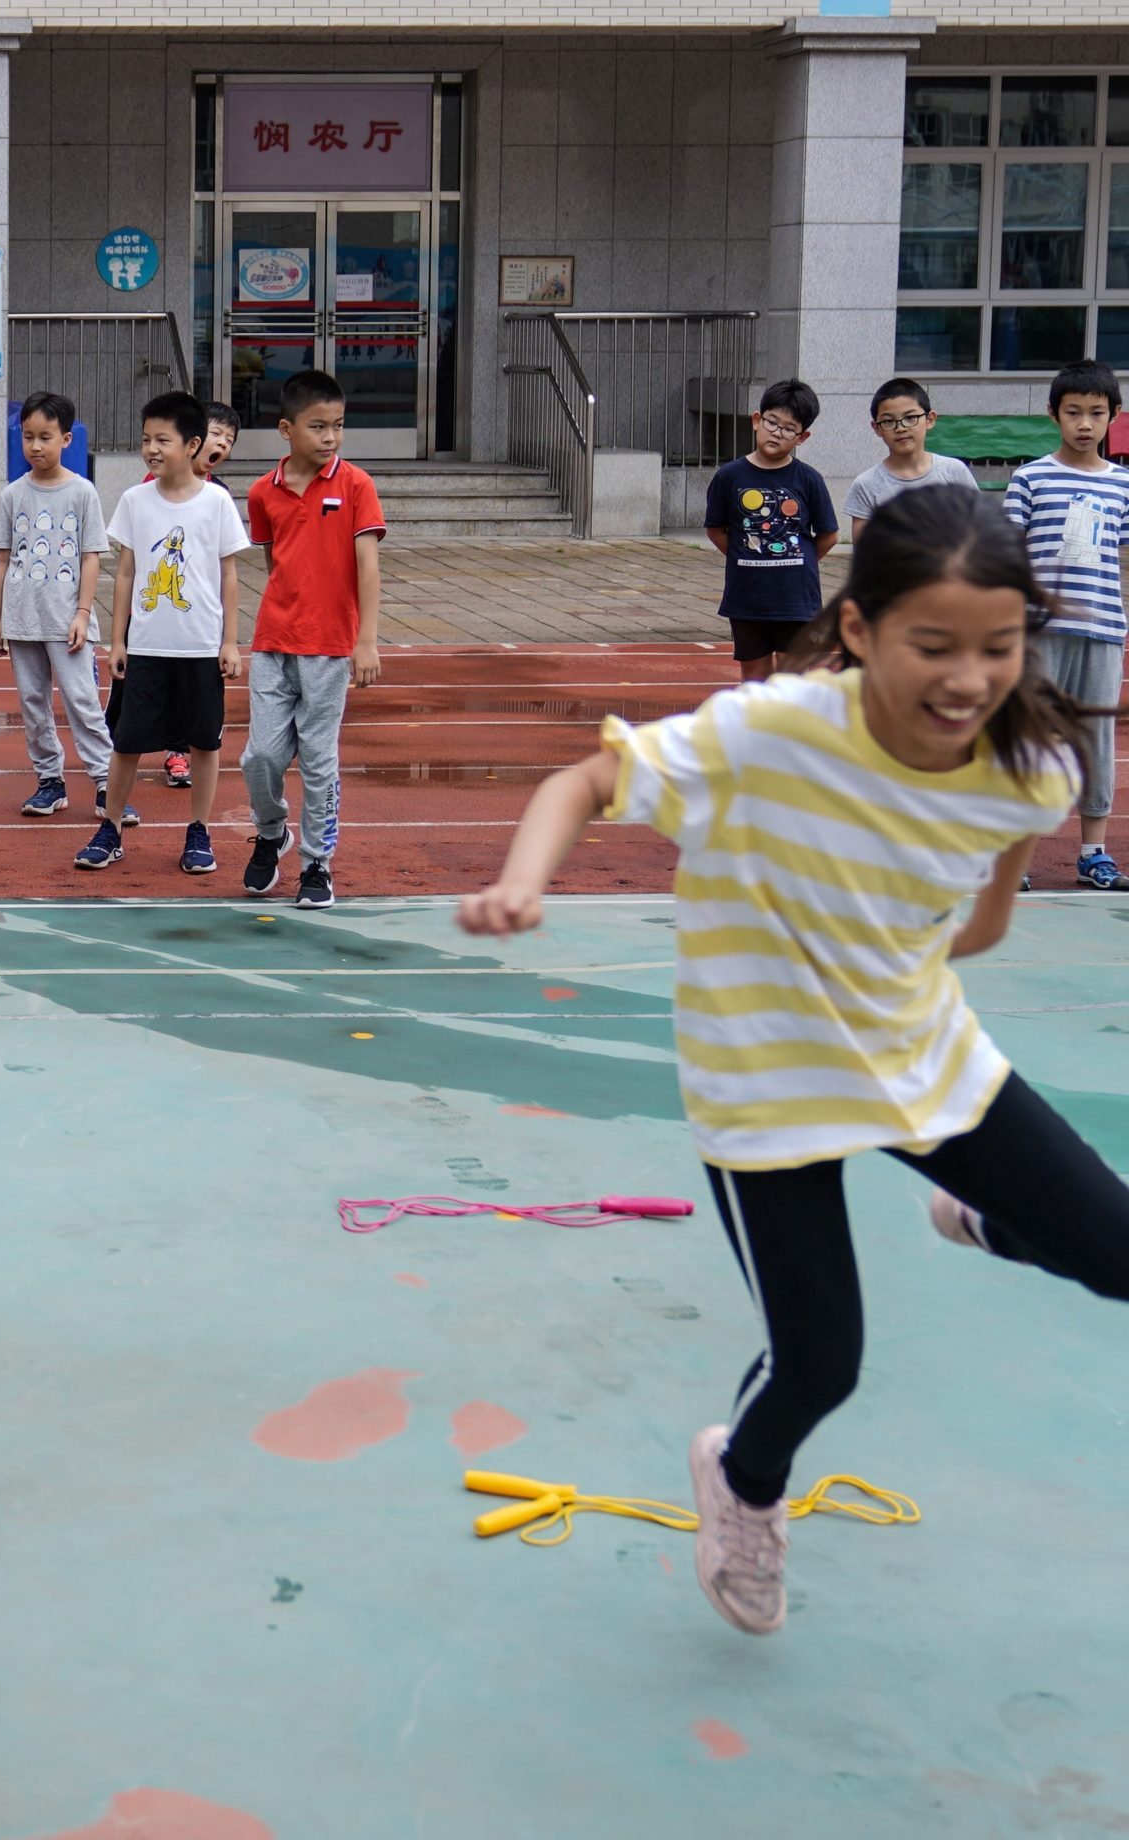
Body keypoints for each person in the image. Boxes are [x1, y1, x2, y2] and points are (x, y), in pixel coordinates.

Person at [457, 487, 1129, 1638]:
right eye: (934, 647)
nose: (969, 679)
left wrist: (891, 947)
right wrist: (524, 882)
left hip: (918, 1054)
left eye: (998, 646)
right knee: (821, 1363)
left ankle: (973, 1210)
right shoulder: (769, 733)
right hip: (764, 1083)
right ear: (860, 632)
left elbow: (984, 926)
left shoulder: (1031, 764)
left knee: (1117, 1256)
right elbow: (584, 780)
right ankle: (743, 1482)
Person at [75, 391, 248, 876]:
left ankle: (199, 830)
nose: (151, 448)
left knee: (204, 744)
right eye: (146, 438)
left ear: (192, 444)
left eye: (163, 439)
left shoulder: (216, 503)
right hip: (147, 645)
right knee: (127, 742)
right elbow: (126, 573)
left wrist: (230, 641)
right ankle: (110, 828)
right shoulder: (135, 500)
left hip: (200, 647)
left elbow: (229, 574)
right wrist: (120, 640)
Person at [241, 367, 385, 909]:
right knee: (260, 758)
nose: (330, 437)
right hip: (274, 642)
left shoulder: (355, 486)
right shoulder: (262, 493)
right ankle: (272, 831)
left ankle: (317, 864)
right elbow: (276, 558)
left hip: (329, 648)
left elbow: (367, 566)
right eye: (318, 426)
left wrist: (364, 641)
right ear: (286, 429)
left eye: (338, 426)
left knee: (320, 761)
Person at [1003, 358, 1129, 889]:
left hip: (1102, 632)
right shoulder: (1030, 478)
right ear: (1053, 414)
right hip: (1038, 632)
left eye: (1096, 413)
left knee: (1095, 739)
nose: (1084, 423)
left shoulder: (1124, 484)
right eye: (1073, 411)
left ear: (1113, 418)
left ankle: (1094, 853)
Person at [0, 391, 111, 818]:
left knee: (83, 701)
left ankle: (106, 784)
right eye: (28, 436)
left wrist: (82, 612)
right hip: (23, 619)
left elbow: (90, 555)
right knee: (33, 703)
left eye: (45, 436)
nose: (36, 446)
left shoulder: (82, 493)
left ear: (66, 439)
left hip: (67, 621)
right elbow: (2, 558)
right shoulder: (12, 495)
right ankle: (50, 782)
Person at [704, 379, 839, 681]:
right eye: (771, 422)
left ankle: (792, 730)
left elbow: (829, 535)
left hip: (797, 600)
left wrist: (801, 560)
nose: (777, 432)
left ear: (802, 436)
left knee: (794, 680)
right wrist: (745, 552)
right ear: (756, 420)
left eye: (789, 428)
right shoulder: (729, 476)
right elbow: (715, 530)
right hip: (747, 598)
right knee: (755, 680)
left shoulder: (809, 479)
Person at [158, 401, 243, 792]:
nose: (222, 445)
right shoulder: (155, 485)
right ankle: (160, 748)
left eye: (229, 440)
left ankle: (185, 752)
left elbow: (227, 567)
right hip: (161, 610)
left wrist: (229, 634)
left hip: (202, 614)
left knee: (199, 694)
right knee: (160, 690)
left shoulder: (220, 495)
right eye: (216, 435)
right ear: (192, 439)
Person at [845, 377, 978, 544]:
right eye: (888, 421)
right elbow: (863, 552)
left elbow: (978, 528)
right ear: (876, 428)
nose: (900, 428)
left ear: (929, 419)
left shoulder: (954, 471)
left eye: (910, 418)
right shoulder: (866, 484)